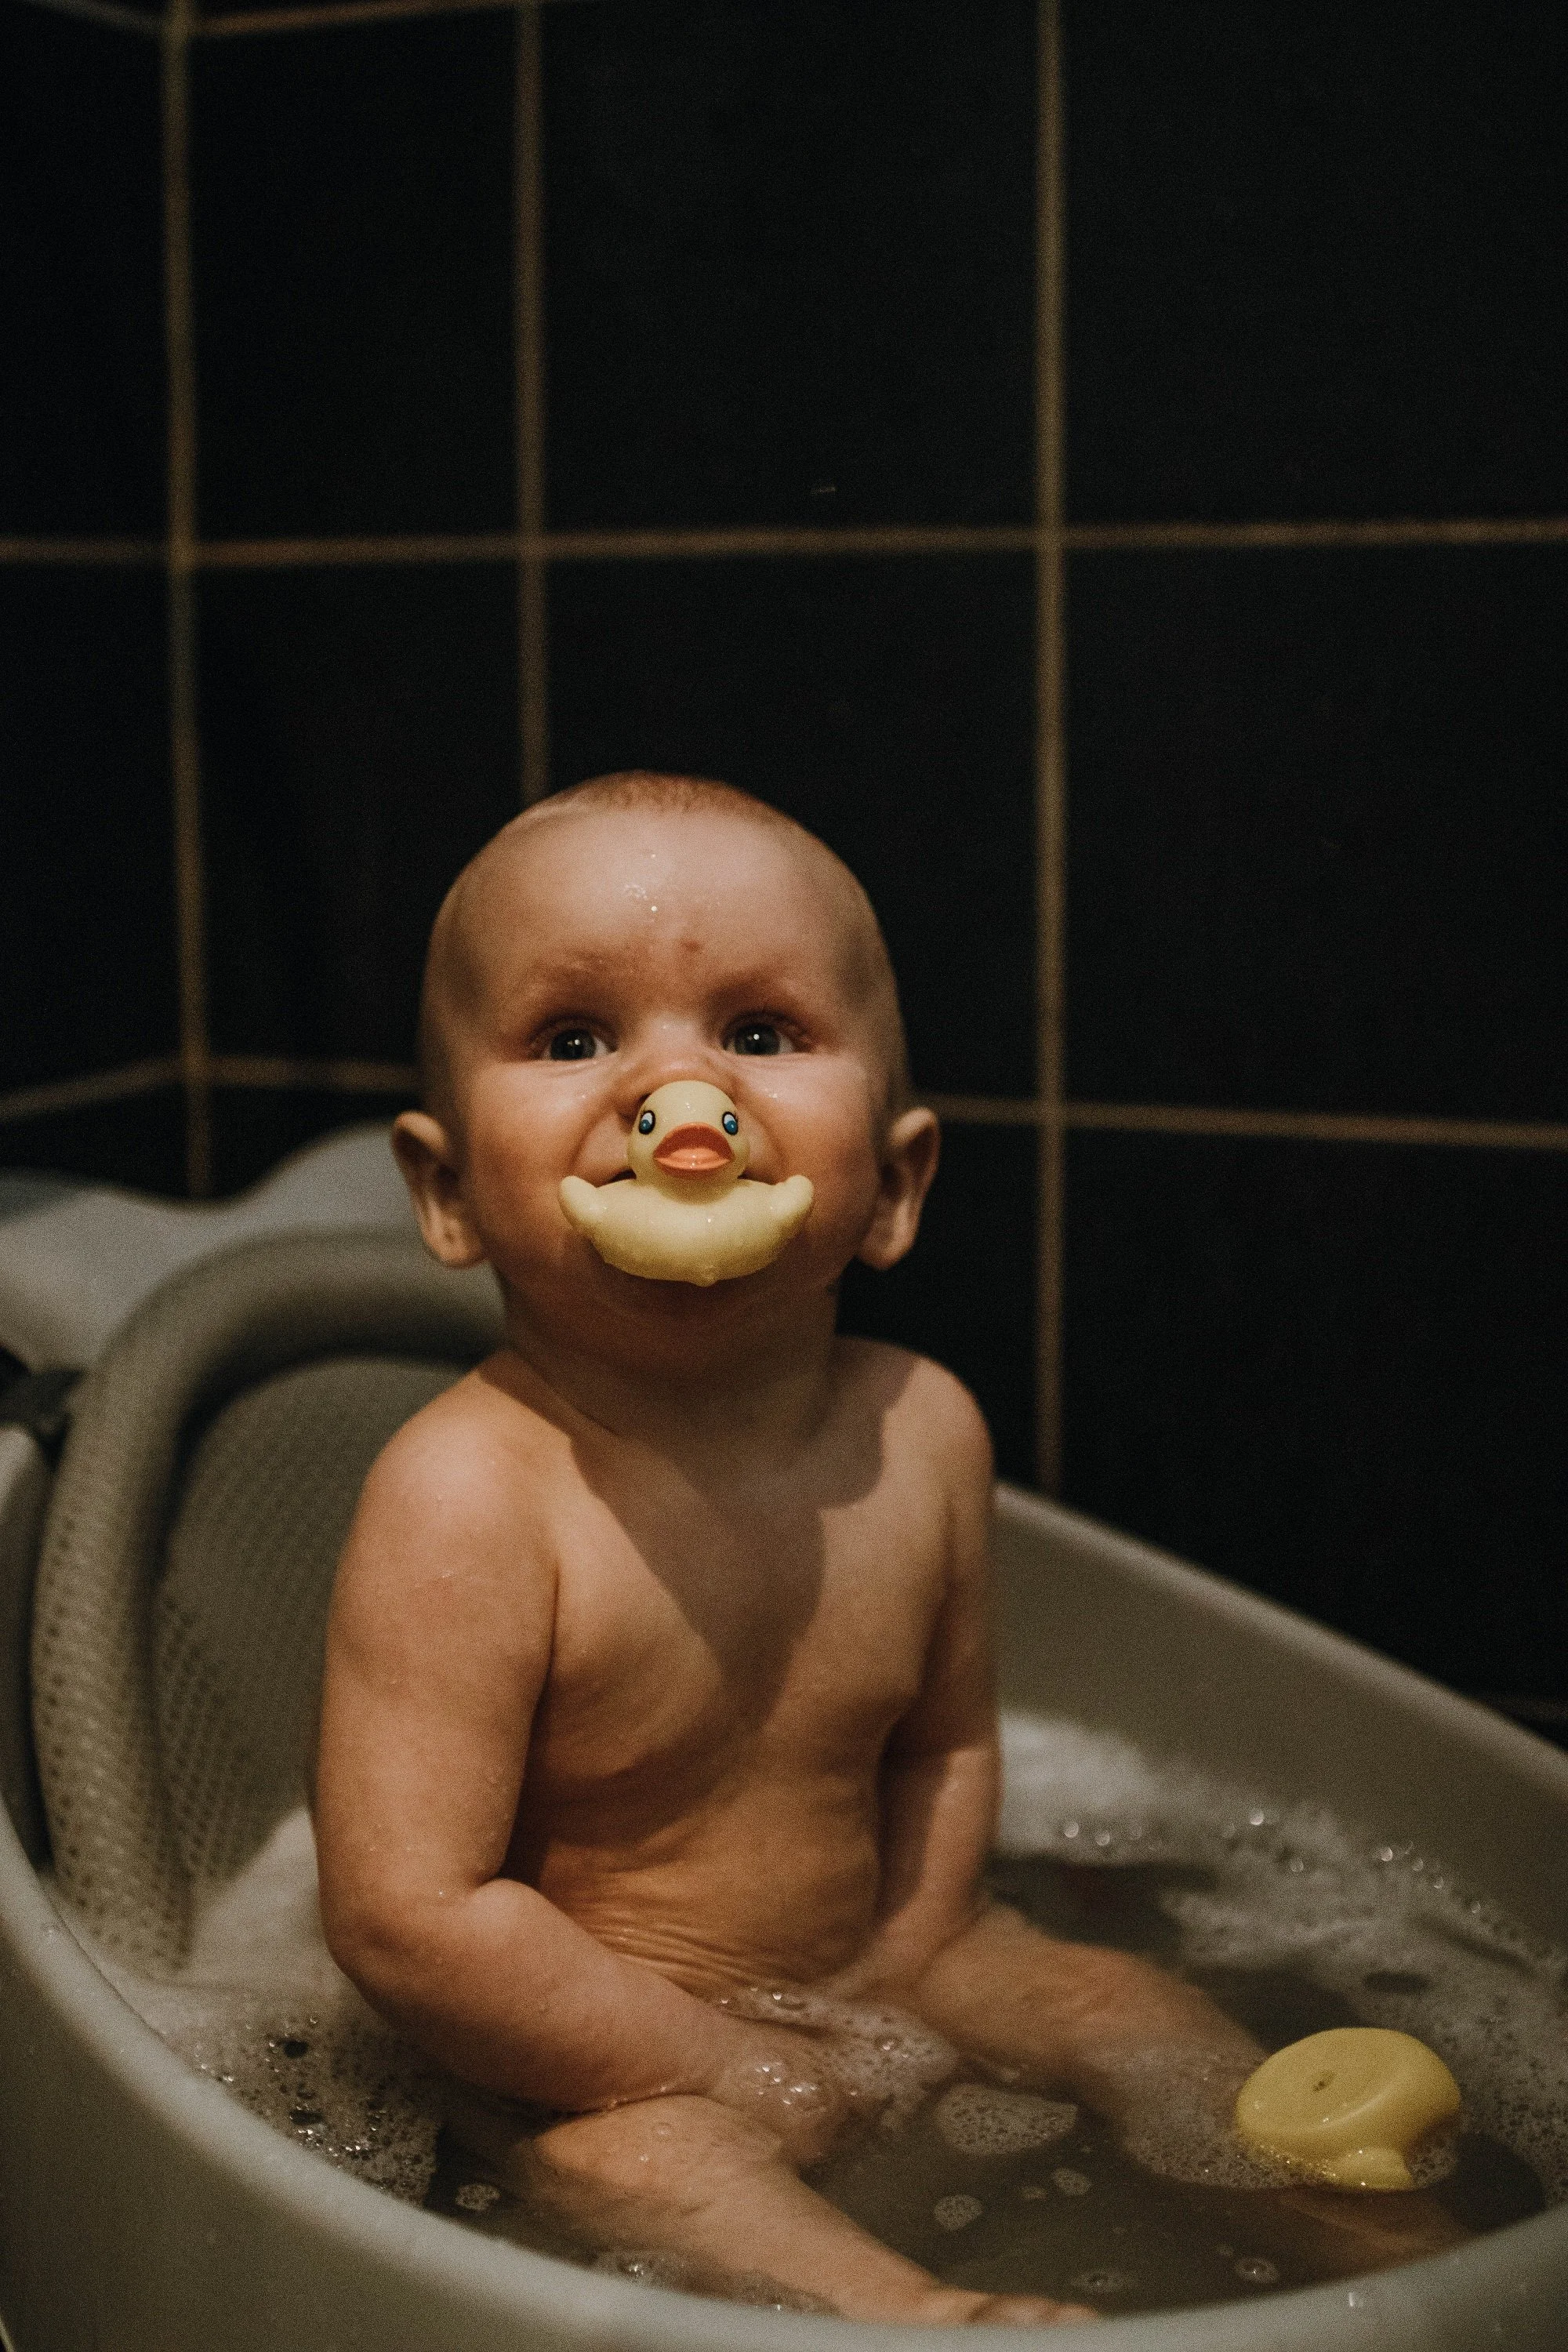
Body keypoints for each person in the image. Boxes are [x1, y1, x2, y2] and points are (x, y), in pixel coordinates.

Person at [313, 773, 1457, 2325]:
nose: (679, 1103)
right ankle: (921, 2318)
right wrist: (713, 2060)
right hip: (606, 2040)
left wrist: (925, 1951)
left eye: (760, 1035)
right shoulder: (469, 1498)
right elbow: (411, 1920)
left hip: (888, 1953)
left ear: (895, 1183)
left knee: (1135, 2009)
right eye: (576, 1037)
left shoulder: (922, 1430)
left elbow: (939, 1747)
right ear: (447, 1193)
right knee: (636, 2167)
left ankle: (1395, 2277)